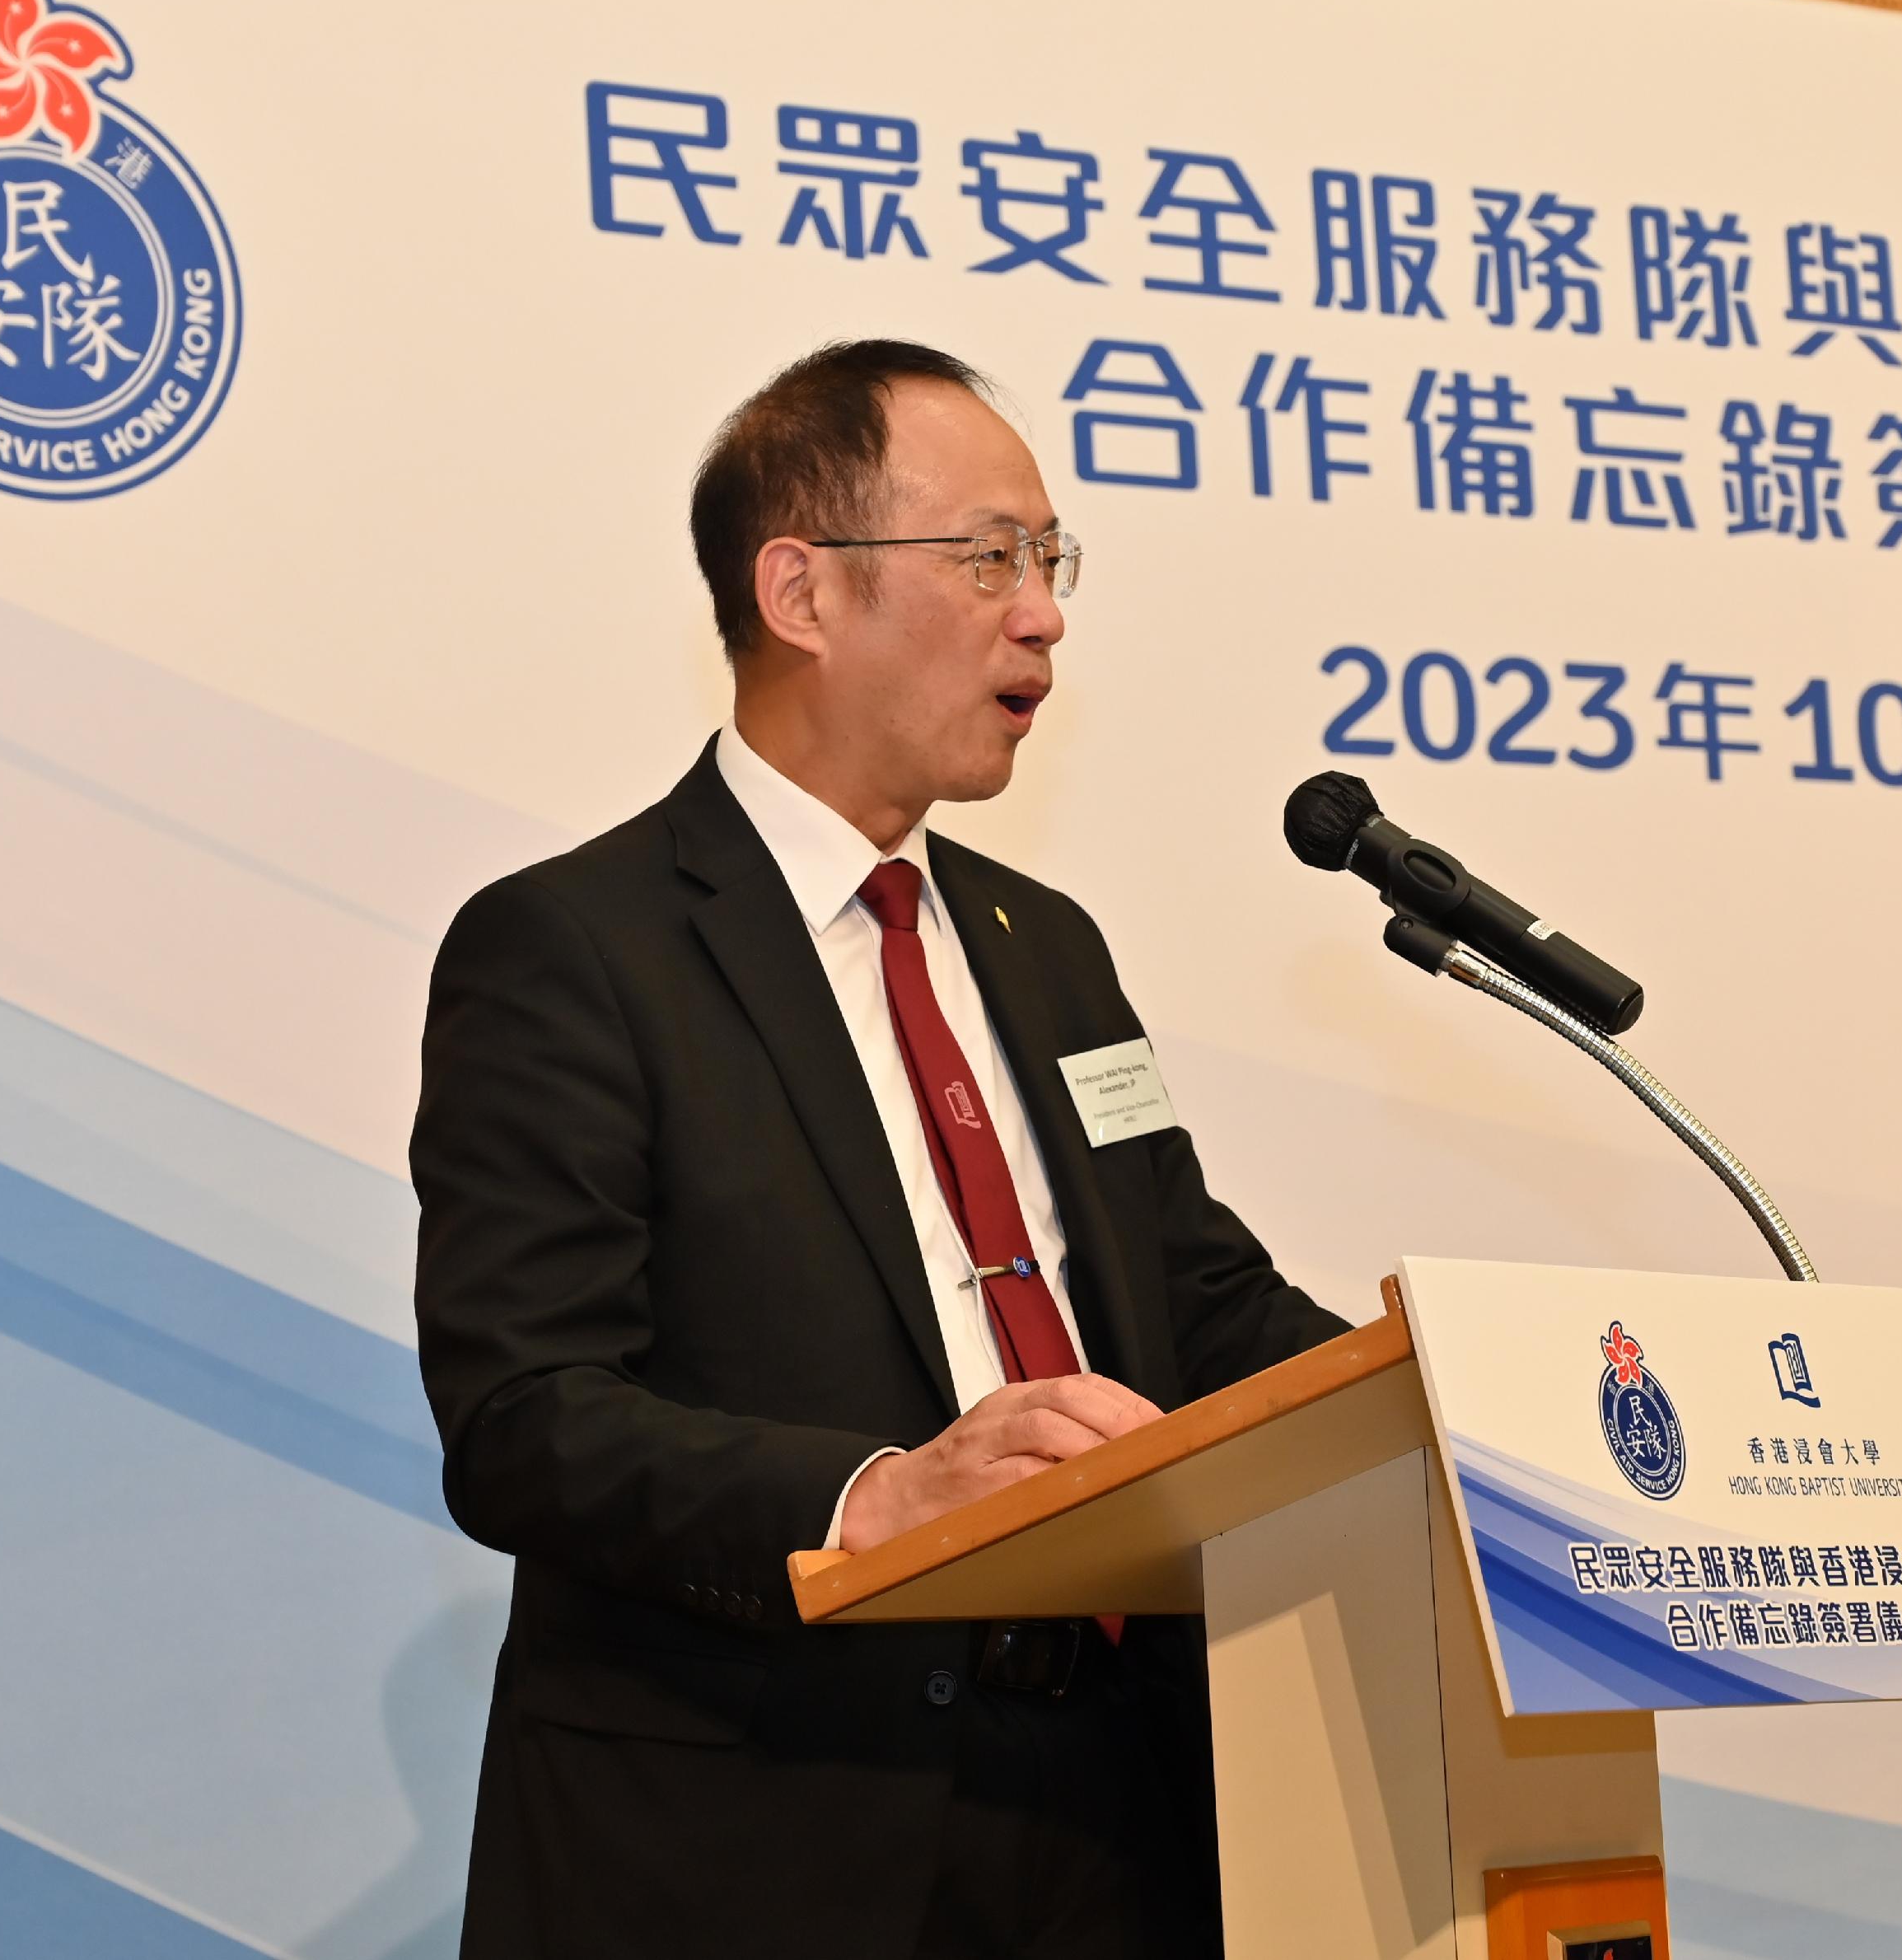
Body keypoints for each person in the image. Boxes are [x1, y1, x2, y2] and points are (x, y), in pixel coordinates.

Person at [411, 339, 1348, 1958]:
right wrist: (875, 1498)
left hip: (1122, 1814)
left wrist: (1460, 1401)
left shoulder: (1040, 944)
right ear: (801, 590)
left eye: (1049, 561)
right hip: (770, 1837)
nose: (1042, 610)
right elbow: (524, 1412)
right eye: (989, 556)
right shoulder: (575, 945)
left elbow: (1194, 1305)